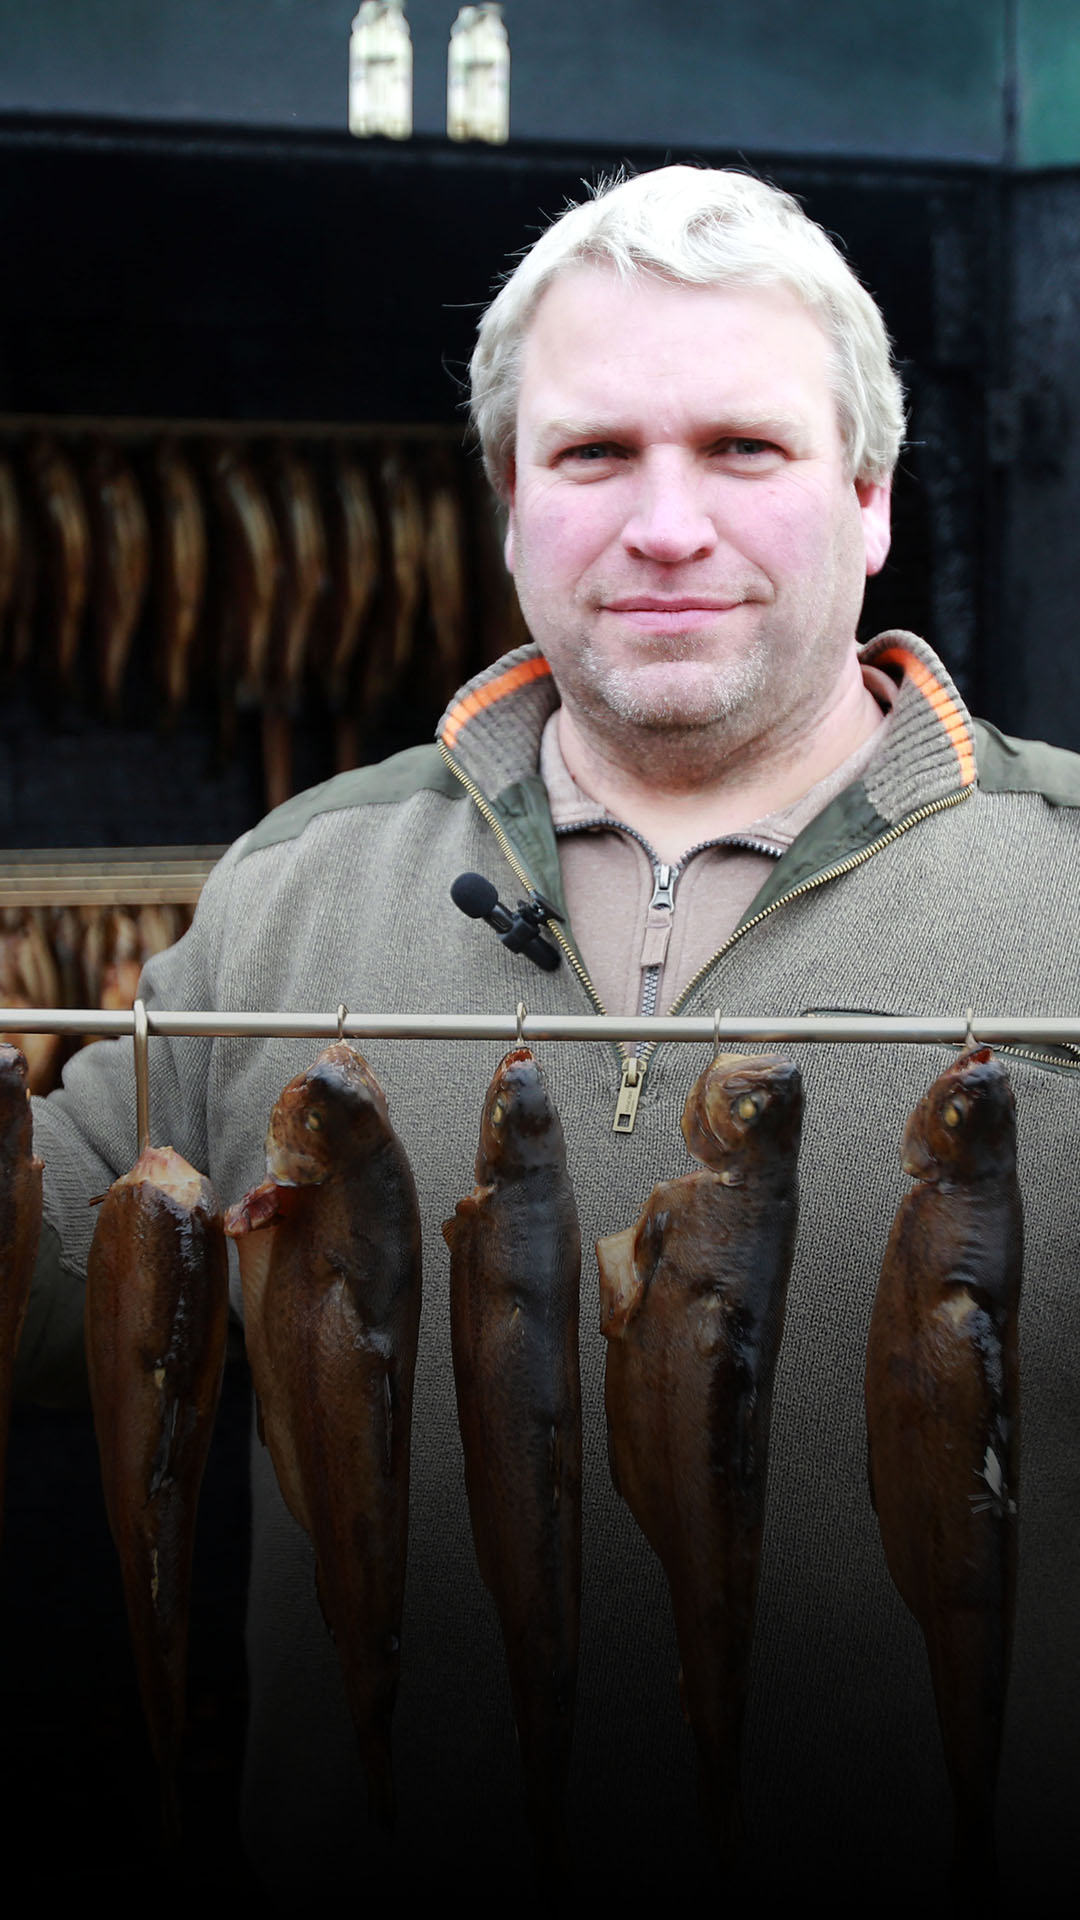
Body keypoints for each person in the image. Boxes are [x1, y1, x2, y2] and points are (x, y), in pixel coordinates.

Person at [17, 166, 1080, 1903]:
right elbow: (54, 1281)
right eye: (594, 456)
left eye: (746, 449)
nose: (667, 525)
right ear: (511, 498)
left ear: (872, 496)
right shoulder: (298, 878)